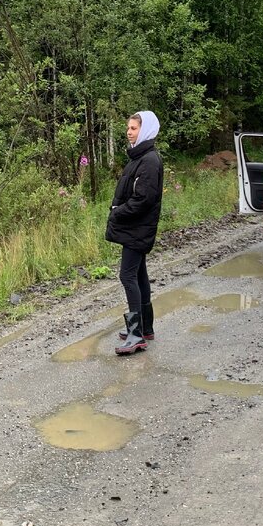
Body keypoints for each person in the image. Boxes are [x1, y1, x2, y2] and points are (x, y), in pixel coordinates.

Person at [105, 110, 164, 356]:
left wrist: (118, 212)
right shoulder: (138, 156)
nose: (129, 132)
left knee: (127, 276)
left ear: (146, 130)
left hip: (138, 228)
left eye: (134, 128)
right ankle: (145, 327)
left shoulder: (149, 160)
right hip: (136, 228)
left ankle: (136, 335)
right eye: (128, 128)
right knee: (139, 275)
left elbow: (143, 199)